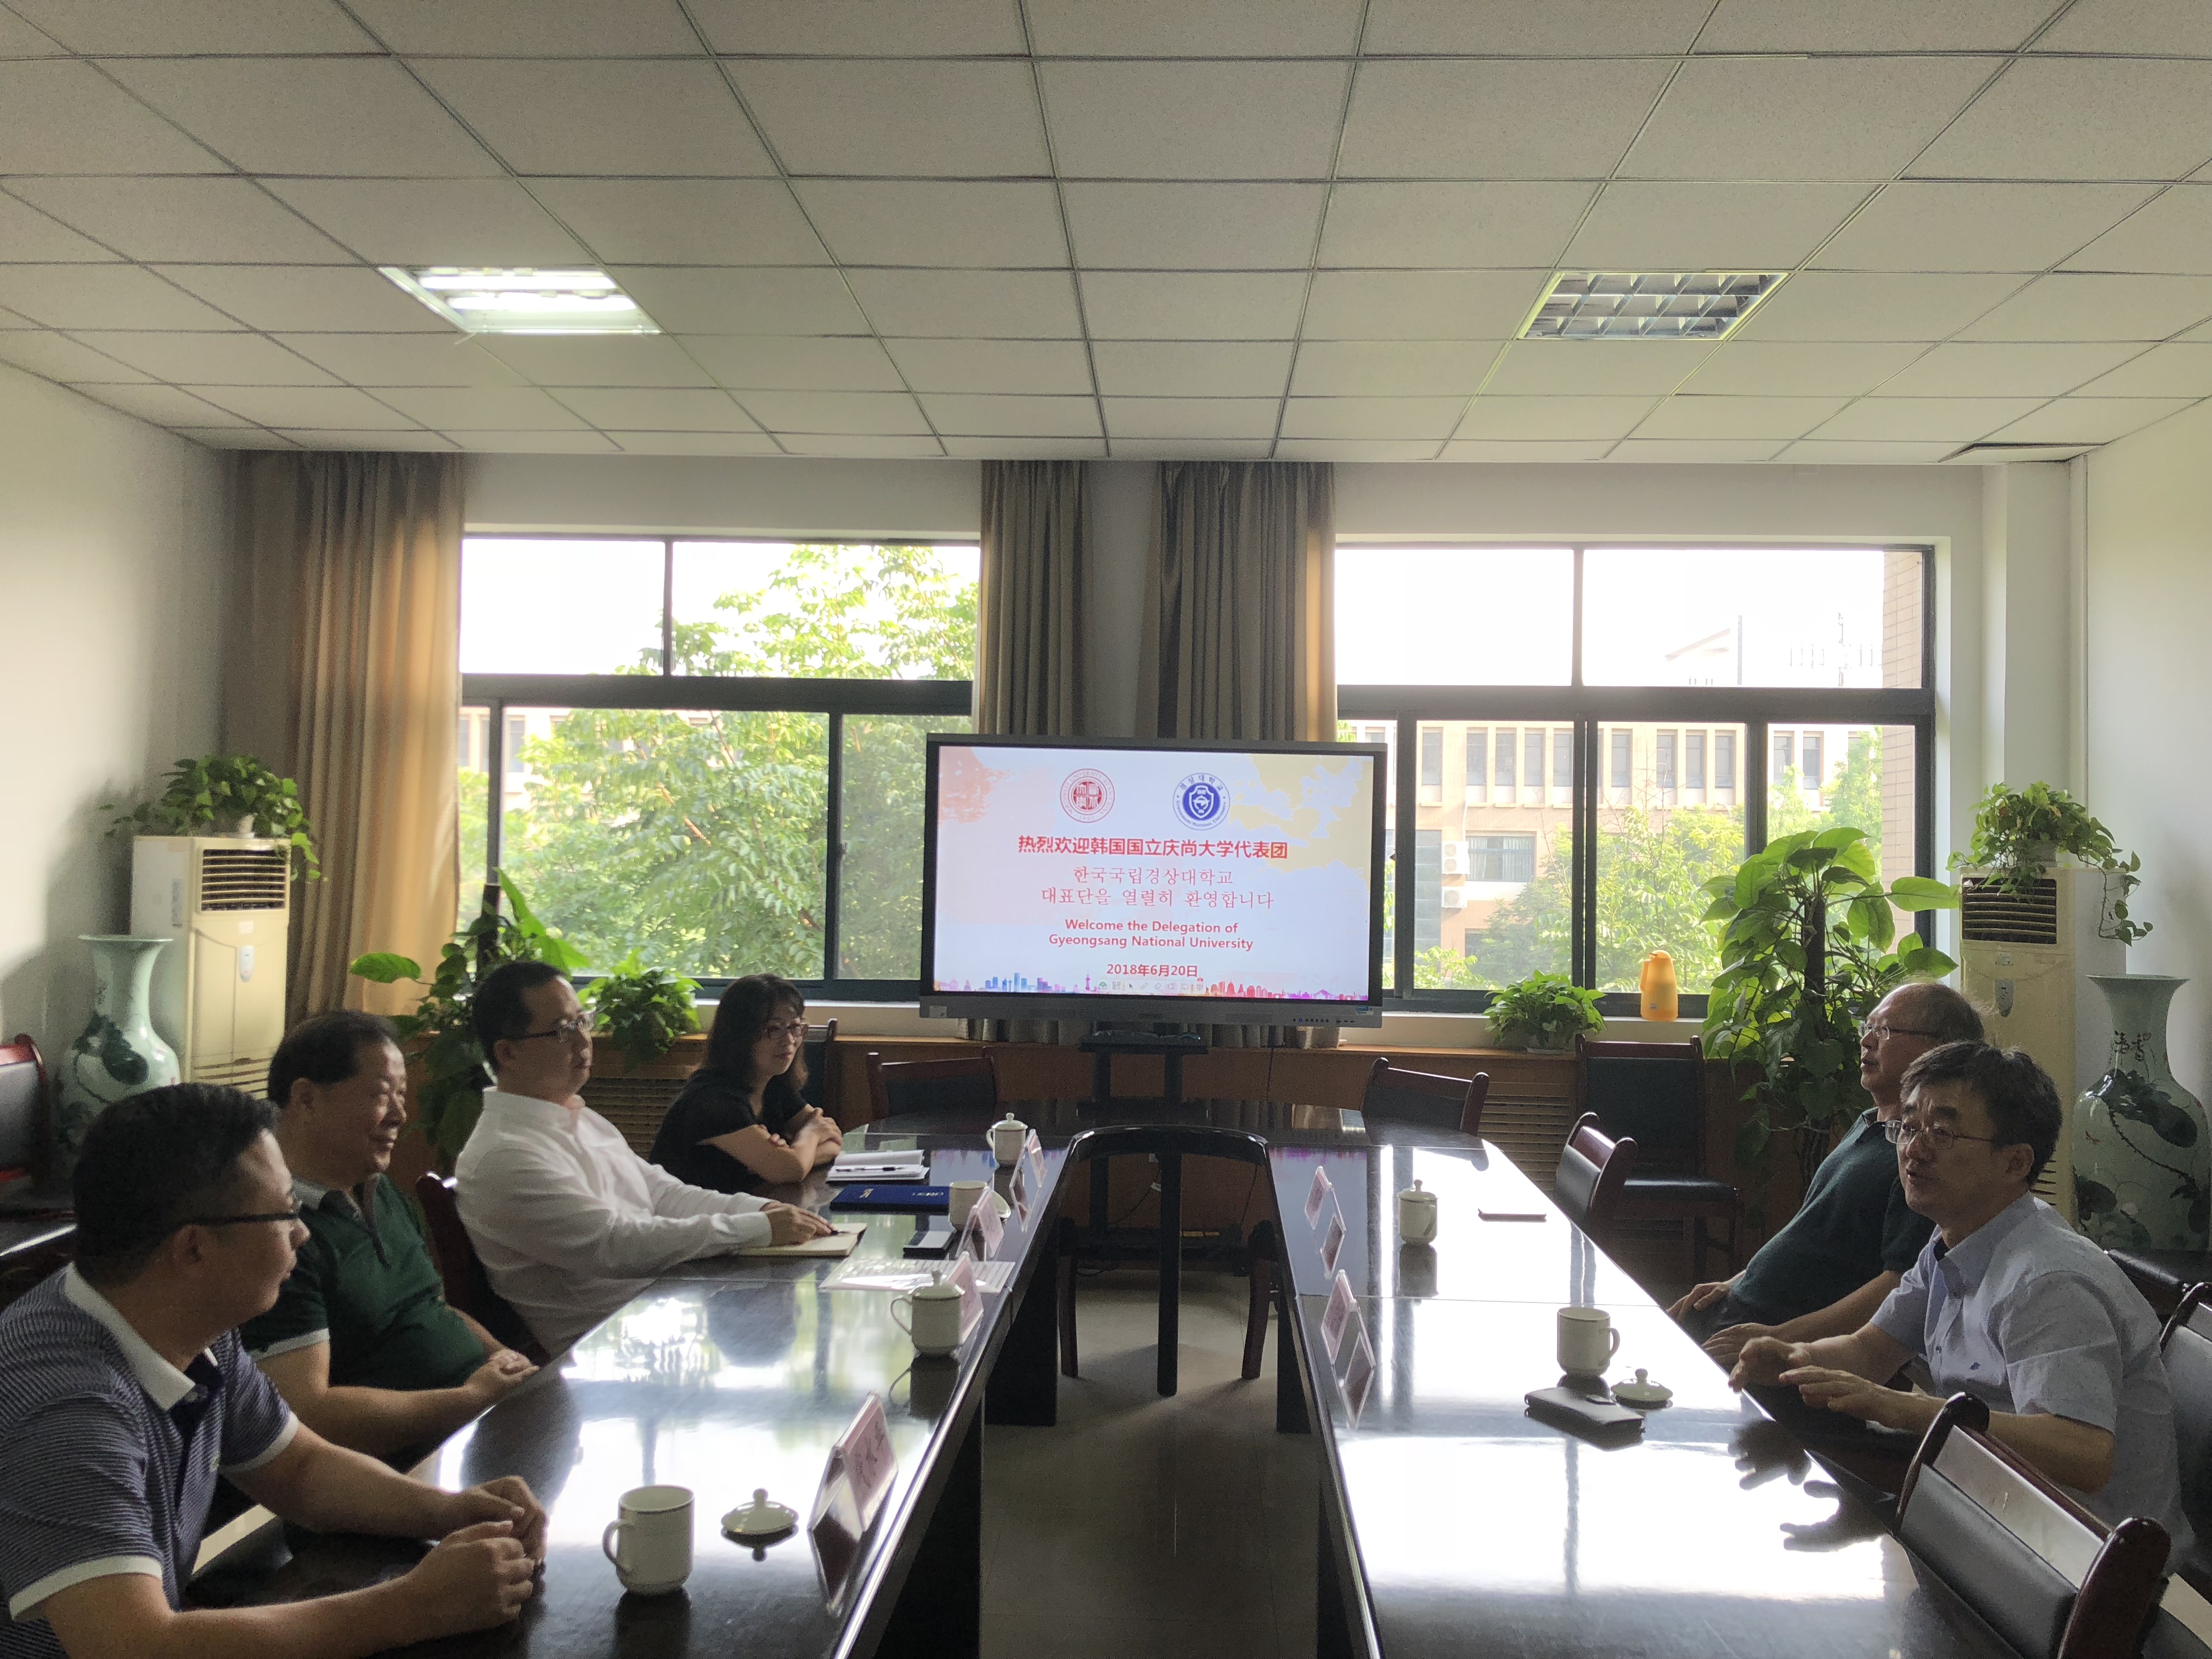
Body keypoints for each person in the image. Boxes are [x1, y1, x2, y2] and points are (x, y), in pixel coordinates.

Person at [0, 1084, 545, 1659]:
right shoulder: (66, 1409)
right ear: (194, 1250)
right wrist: (414, 1606)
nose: (302, 1232)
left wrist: (453, 1510)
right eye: (285, 1211)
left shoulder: (188, 1322)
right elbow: (136, 1646)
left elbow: (298, 1469)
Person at [1731, 1042, 2192, 1548]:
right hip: (1992, 1515)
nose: (1914, 1149)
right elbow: (1869, 1350)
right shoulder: (1953, 1238)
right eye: (1908, 1126)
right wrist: (1794, 1357)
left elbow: (2084, 1454)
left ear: (2015, 1162)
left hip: (2085, 1558)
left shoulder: (2049, 1281)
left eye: (1942, 1132)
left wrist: (1904, 1409)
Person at [455, 961, 834, 1355]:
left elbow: (662, 1193)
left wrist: (763, 1209)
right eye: (562, 1030)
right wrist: (756, 1227)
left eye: (582, 1022)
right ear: (508, 1053)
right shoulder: (504, 1155)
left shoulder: (579, 1117)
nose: (584, 1041)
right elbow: (614, 1244)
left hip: (669, 1306)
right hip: (608, 1348)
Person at [243, 1011, 537, 1458]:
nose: (400, 1115)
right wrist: (467, 1401)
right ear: (306, 1099)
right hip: (400, 1466)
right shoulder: (276, 1233)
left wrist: (504, 1360)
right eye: (383, 1096)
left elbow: (431, 1308)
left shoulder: (382, 1192)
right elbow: (308, 1414)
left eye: (401, 1095)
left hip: (475, 1425)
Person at [1668, 981, 1984, 1363]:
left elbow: (1901, 1286)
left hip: (1784, 1349)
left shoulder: (1923, 1158)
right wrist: (1733, 1283)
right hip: (1739, 1314)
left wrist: (1780, 1340)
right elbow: (1811, 1234)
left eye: (1884, 1030)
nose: (1866, 1041)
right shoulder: (1869, 1124)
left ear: (1939, 1049)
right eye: (1867, 1027)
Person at [648, 975, 843, 1193]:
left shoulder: (773, 1085)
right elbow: (789, 1168)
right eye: (774, 1028)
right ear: (740, 1035)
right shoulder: (712, 1101)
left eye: (795, 1027)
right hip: (689, 1213)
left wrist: (793, 1153)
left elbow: (834, 1140)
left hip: (744, 1207)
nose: (789, 1040)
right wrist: (811, 1135)